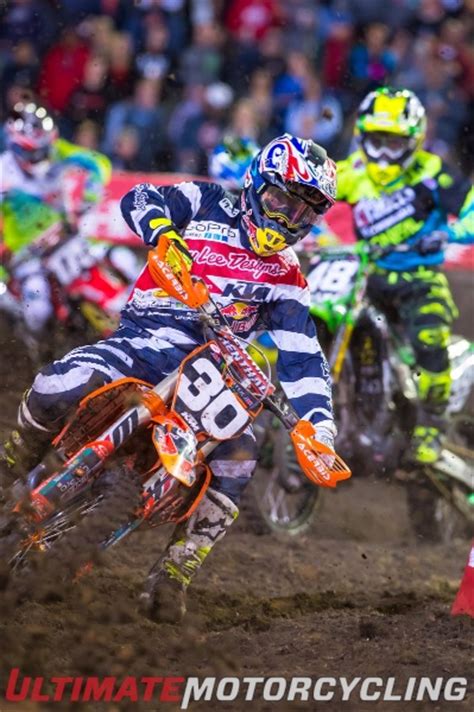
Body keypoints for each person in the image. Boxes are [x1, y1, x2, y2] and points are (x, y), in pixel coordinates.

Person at [1, 134, 338, 622]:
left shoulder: (288, 279)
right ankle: (11, 461)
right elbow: (139, 198)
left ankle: (175, 573)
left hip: (214, 375)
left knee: (241, 455)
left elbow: (303, 359)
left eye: (303, 213)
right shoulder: (208, 201)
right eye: (280, 202)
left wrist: (320, 429)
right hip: (147, 340)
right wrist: (162, 233)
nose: (287, 219)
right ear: (255, 184)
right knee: (60, 383)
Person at [336, 87, 473, 465]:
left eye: (394, 143)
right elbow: (309, 195)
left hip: (420, 278)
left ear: (413, 141)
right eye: (376, 141)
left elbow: (471, 205)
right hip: (369, 279)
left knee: (429, 338)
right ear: (362, 138)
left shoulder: (431, 172)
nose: (383, 154)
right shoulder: (352, 173)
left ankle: (433, 422)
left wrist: (450, 233)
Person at [0, 101, 111, 348]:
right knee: (38, 310)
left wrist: (91, 187)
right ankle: (36, 351)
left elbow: (99, 162)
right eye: (35, 151)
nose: (44, 156)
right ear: (17, 146)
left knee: (119, 258)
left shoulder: (58, 150)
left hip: (66, 236)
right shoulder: (3, 173)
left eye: (46, 147)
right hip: (27, 256)